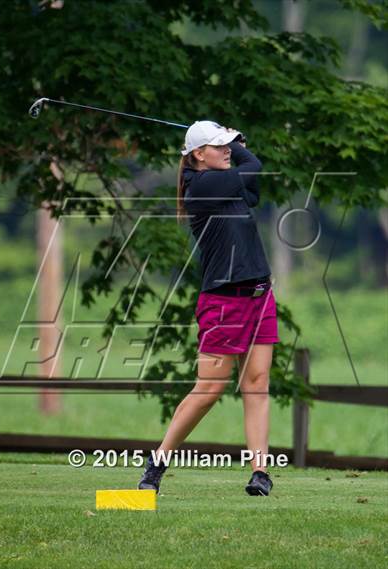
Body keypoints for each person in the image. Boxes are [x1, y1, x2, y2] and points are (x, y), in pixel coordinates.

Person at [137, 120, 280, 496]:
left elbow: (251, 175)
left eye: (227, 146)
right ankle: (157, 465)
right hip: (224, 300)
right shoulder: (201, 186)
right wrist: (239, 141)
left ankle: (260, 473)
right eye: (218, 146)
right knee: (210, 388)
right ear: (199, 154)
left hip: (260, 294)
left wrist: (233, 138)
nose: (227, 150)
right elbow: (254, 167)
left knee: (257, 384)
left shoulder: (227, 181)